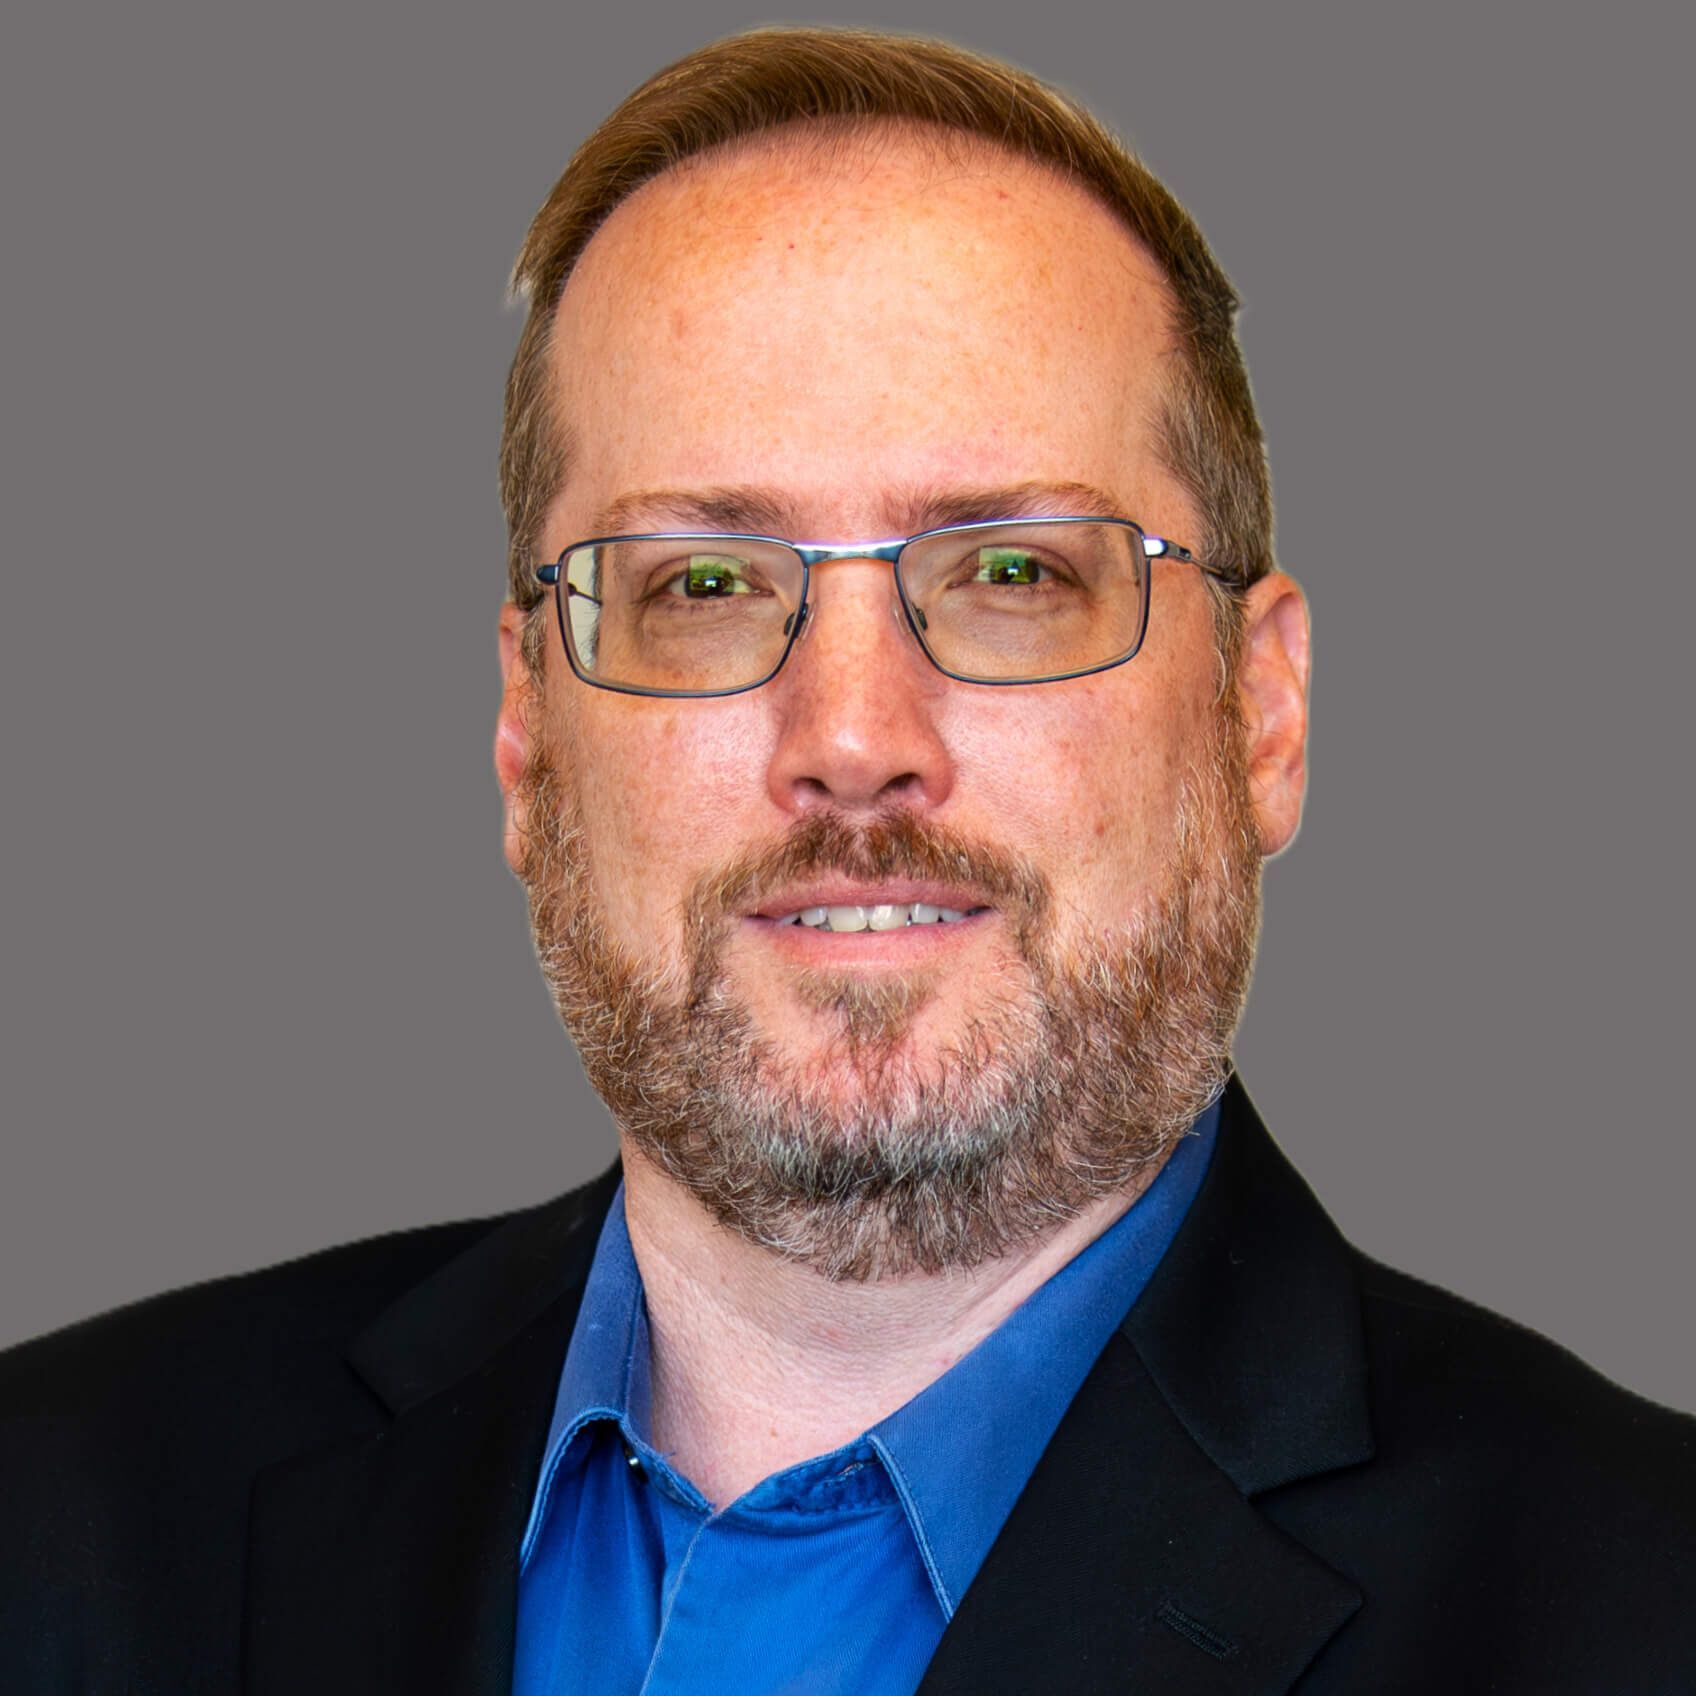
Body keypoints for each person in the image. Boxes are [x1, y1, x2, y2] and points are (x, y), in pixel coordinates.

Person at [2, 25, 1691, 1694]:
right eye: (705, 585)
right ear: (526, 732)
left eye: (1016, 573)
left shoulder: (1636, 1607)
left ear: (1262, 711)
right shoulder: (60, 1515)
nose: (854, 733)